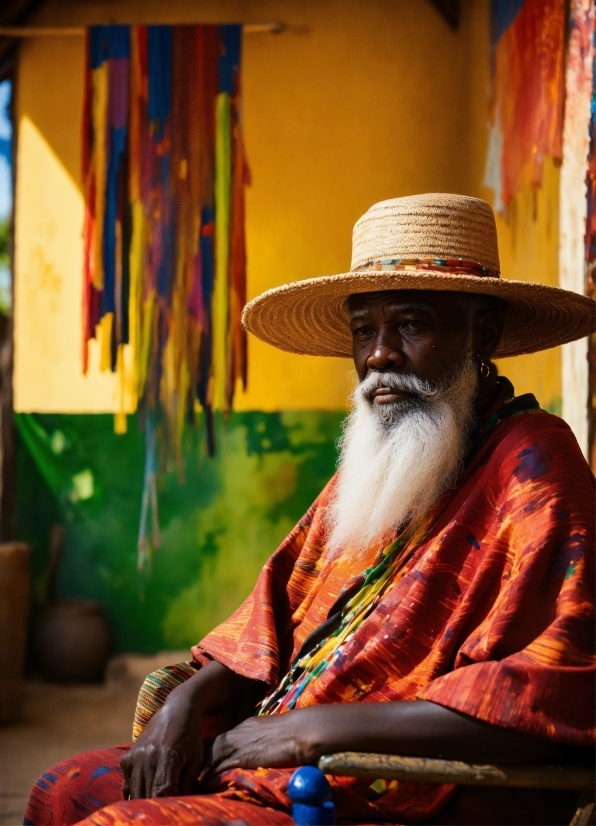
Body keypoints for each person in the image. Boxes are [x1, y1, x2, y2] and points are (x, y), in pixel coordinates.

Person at [26, 194, 595, 826]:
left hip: (401, 797)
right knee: (61, 788)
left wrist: (307, 732)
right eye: (363, 332)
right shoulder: (386, 463)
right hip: (278, 767)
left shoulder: (536, 462)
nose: (379, 355)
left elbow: (546, 697)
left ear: (481, 334)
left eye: (411, 324)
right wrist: (187, 702)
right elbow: (270, 621)